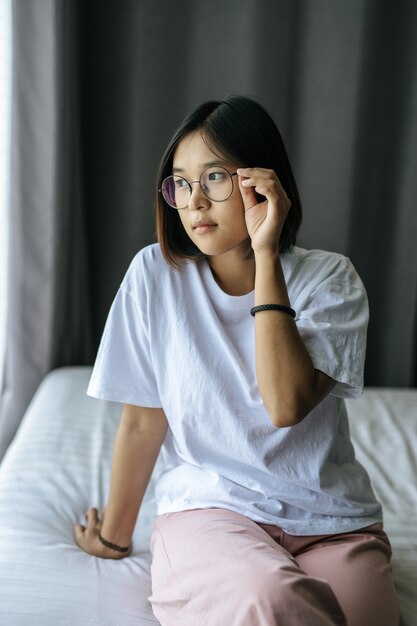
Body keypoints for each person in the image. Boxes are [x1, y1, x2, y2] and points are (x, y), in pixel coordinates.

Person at [74, 95, 399, 626]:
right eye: (180, 182)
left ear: (263, 182)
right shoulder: (155, 276)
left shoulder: (330, 279)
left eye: (215, 179)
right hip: (212, 511)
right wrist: (114, 534)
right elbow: (141, 420)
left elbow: (285, 402)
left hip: (332, 519)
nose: (194, 202)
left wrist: (267, 252)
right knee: (268, 600)